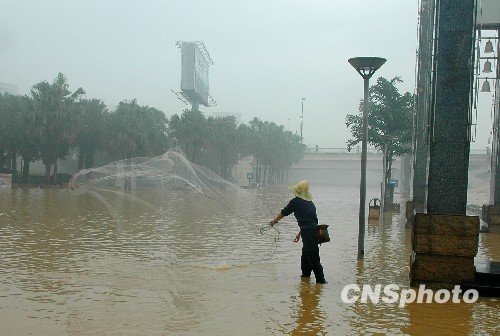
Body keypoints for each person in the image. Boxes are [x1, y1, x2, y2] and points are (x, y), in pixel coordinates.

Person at [269, 180, 326, 284]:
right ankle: (305, 278)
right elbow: (312, 221)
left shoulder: (296, 201)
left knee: (312, 256)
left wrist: (274, 221)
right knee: (305, 255)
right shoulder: (310, 203)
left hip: (308, 231)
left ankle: (321, 281)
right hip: (310, 230)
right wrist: (300, 233)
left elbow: (284, 212)